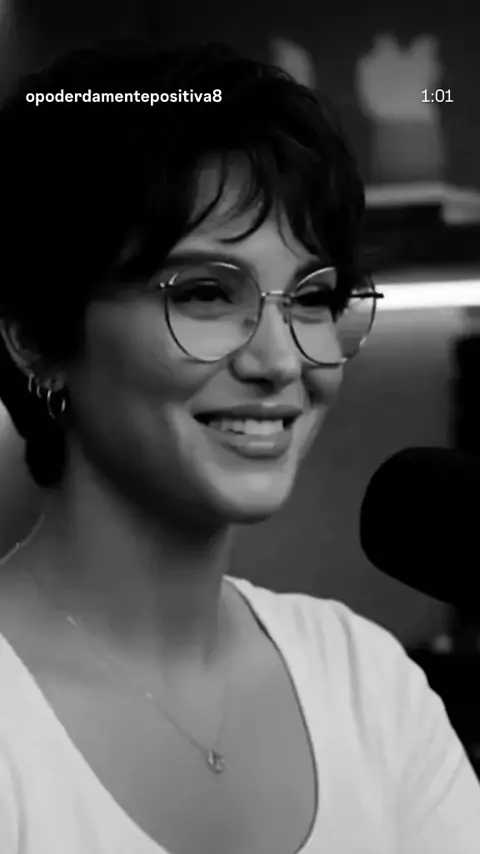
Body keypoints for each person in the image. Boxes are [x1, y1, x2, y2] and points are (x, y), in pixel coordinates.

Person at [0, 39, 478, 854]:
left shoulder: (369, 686)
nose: (281, 360)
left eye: (315, 297)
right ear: (37, 338)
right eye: (207, 293)